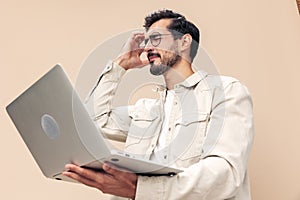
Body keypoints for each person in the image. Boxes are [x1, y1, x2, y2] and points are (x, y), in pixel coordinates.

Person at [63, 9, 254, 200]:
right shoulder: (146, 110)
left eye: (155, 39)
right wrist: (121, 64)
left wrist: (139, 189)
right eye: (146, 41)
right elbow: (93, 119)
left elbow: (225, 174)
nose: (147, 47)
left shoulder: (226, 91)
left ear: (184, 42)